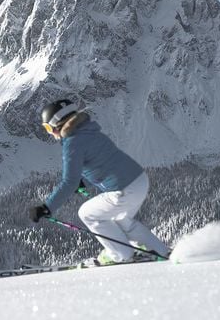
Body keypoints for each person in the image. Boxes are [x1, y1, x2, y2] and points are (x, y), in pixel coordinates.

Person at [28, 99, 170, 265]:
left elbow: (69, 181)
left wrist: (47, 207)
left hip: (123, 190)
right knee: (122, 220)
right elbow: (103, 162)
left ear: (57, 124)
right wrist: (84, 182)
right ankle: (160, 251)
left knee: (87, 214)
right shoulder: (90, 131)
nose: (49, 133)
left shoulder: (72, 143)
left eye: (47, 128)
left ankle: (120, 254)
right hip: (139, 180)